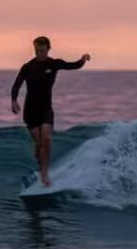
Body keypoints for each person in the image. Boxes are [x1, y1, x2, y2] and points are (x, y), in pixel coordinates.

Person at [10, 36, 90, 187]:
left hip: (46, 109)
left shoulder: (53, 64)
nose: (39, 53)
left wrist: (83, 59)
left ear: (48, 49)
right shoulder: (27, 67)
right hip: (31, 111)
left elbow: (73, 66)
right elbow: (16, 85)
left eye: (42, 50)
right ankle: (41, 163)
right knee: (39, 144)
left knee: (46, 139)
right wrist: (14, 101)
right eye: (37, 50)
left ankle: (44, 175)